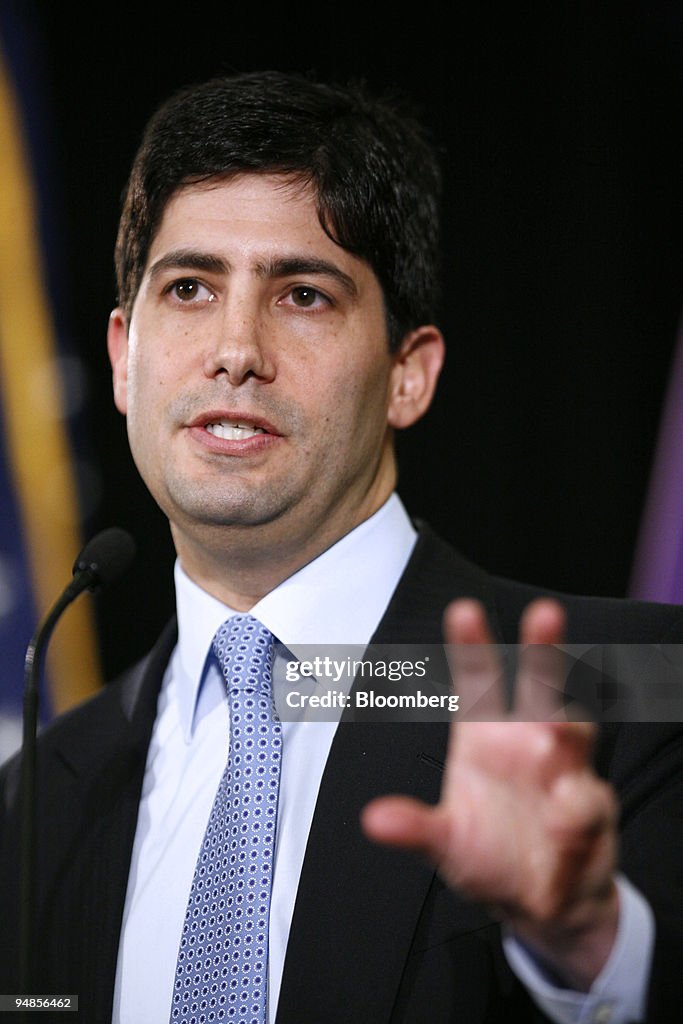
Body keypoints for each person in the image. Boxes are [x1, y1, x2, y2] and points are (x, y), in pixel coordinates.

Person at [1, 69, 682, 1024]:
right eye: (190, 287)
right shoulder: (39, 796)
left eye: (304, 296)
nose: (235, 348)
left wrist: (587, 948)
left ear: (409, 374)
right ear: (123, 358)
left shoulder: (623, 689)